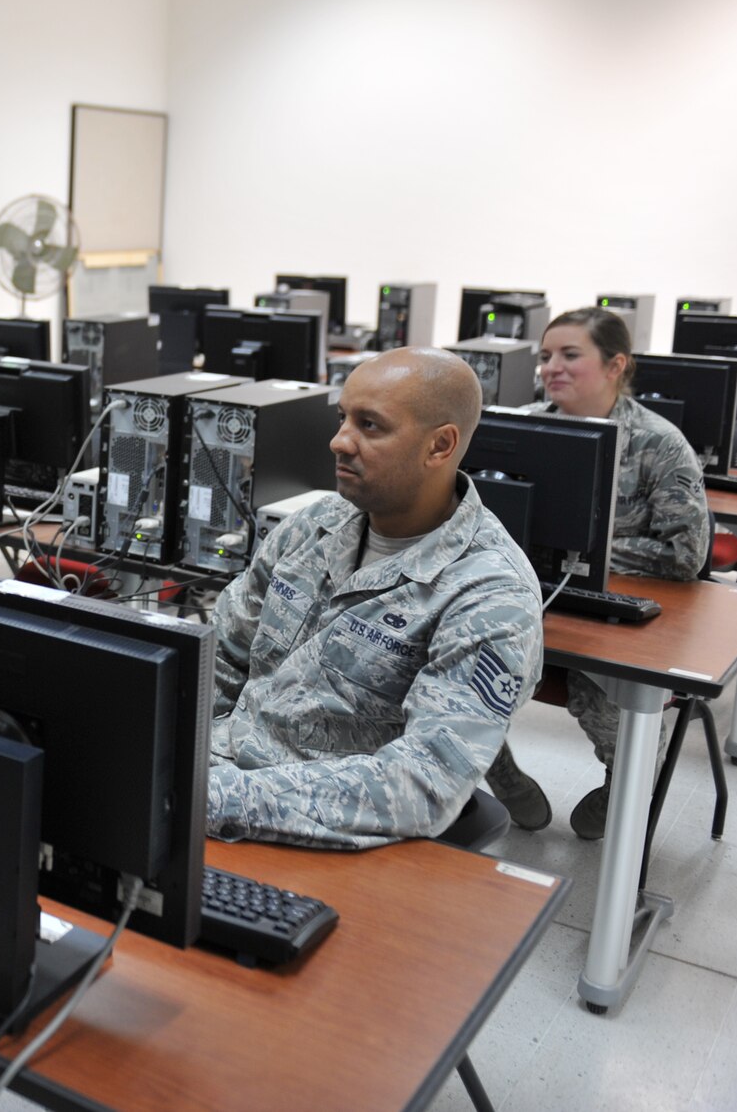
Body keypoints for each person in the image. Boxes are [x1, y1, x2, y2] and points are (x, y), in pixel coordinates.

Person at [206, 348, 544, 849]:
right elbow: (222, 658)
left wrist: (214, 798)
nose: (339, 441)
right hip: (214, 783)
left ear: (440, 446)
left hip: (321, 830)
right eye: (343, 418)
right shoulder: (313, 526)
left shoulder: (490, 592)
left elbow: (425, 781)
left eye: (370, 425)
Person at [483, 308, 711, 839]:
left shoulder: (660, 443)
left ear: (615, 366)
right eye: (544, 357)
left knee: (610, 708)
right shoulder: (519, 427)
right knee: (443, 671)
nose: (550, 368)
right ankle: (501, 774)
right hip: (529, 597)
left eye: (569, 355)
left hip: (617, 615)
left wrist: (588, 551)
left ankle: (623, 783)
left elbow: (686, 555)